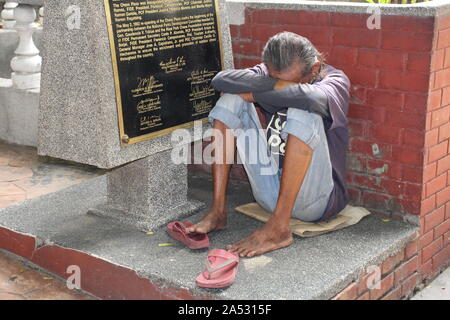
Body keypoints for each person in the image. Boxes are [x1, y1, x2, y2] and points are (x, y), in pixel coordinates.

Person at [186, 31, 351, 258]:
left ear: (314, 69)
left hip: (315, 201)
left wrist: (258, 93)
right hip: (268, 194)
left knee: (305, 108)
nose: (277, 82)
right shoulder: (268, 70)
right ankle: (217, 210)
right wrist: (275, 86)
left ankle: (280, 227)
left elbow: (311, 99)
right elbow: (220, 80)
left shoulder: (335, 81)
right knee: (230, 97)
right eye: (273, 78)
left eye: (290, 82)